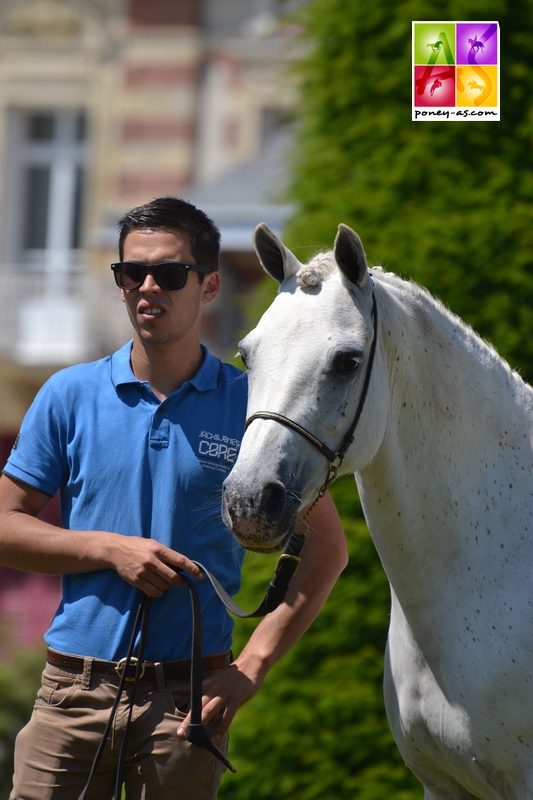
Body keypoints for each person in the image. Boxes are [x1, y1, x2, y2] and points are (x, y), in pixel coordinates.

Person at [0, 196, 348, 800]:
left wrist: (251, 669)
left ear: (210, 285)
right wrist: (108, 549)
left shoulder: (251, 407)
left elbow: (326, 552)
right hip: (71, 695)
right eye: (131, 273)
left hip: (187, 704)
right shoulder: (69, 395)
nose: (147, 287)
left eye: (170, 273)